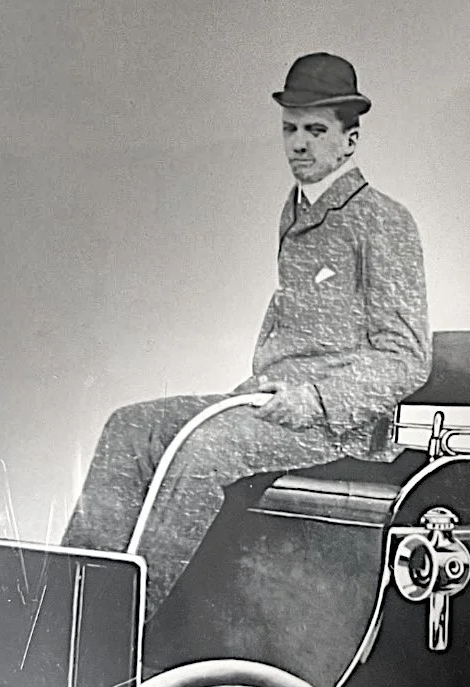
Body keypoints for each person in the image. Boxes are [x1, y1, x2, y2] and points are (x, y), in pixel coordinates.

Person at [61, 53, 430, 617]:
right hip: (270, 407)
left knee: (205, 451)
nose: (298, 144)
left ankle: (121, 626)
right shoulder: (296, 212)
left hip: (337, 429)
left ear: (349, 142)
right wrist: (261, 384)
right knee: (130, 426)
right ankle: (68, 607)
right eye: (289, 129)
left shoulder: (385, 220)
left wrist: (314, 400)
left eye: (316, 130)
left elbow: (406, 358)